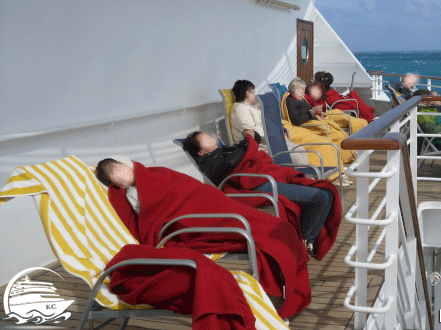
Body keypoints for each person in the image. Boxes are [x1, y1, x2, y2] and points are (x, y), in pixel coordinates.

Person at [95, 157, 312, 318]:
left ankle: (280, 287)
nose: (123, 179)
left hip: (209, 203)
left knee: (277, 228)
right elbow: (151, 220)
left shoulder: (155, 172)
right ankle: (279, 292)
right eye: (117, 180)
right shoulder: (133, 194)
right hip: (193, 221)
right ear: (116, 184)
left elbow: (186, 187)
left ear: (124, 165)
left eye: (120, 171)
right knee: (266, 234)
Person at [182, 131, 341, 259]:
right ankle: (303, 241)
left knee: (326, 193)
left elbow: (249, 153)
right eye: (206, 139)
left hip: (265, 177)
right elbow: (231, 163)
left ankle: (309, 239)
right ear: (201, 152)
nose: (211, 138)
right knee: (321, 196)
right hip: (256, 185)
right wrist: (249, 142)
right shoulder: (208, 163)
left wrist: (249, 139)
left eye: (209, 135)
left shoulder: (224, 150)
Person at [230, 79, 308, 165]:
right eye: (253, 92)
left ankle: (307, 177)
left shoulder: (252, 107)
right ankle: (301, 177)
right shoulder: (239, 108)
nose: (255, 95)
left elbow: (268, 122)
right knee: (295, 157)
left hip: (269, 141)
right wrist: (276, 132)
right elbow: (252, 132)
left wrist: (281, 129)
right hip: (261, 145)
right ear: (247, 94)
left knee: (300, 149)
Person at [283, 78, 356, 167]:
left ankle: (343, 159)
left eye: (303, 89)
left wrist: (318, 113)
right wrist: (312, 112)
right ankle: (339, 161)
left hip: (315, 121)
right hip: (309, 126)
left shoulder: (300, 100)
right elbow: (296, 120)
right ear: (294, 90)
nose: (303, 92)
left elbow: (307, 111)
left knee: (340, 134)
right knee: (337, 136)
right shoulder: (291, 101)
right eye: (301, 89)